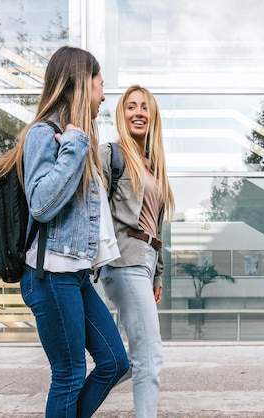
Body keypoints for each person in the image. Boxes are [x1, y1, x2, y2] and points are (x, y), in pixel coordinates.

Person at [0, 46, 129, 418]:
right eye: (100, 86)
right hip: (49, 277)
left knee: (115, 362)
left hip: (76, 276)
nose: (103, 96)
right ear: (82, 84)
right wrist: (75, 146)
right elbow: (43, 204)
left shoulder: (79, 140)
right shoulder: (43, 135)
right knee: (68, 375)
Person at [98, 85, 175, 418]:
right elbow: (91, 210)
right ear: (121, 114)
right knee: (150, 357)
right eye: (131, 106)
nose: (138, 112)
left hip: (144, 264)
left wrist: (158, 274)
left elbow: (156, 227)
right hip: (123, 261)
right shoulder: (109, 155)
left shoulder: (154, 165)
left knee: (132, 359)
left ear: (153, 115)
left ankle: (80, 398)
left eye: (144, 107)